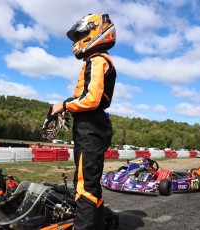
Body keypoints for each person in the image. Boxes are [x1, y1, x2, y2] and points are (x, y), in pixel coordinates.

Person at [52, 13, 116, 229]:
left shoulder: (98, 60)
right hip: (91, 126)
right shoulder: (96, 59)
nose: (79, 39)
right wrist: (68, 107)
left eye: (82, 34)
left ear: (96, 31)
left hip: (91, 127)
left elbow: (91, 99)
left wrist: (63, 105)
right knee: (88, 184)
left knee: (84, 186)